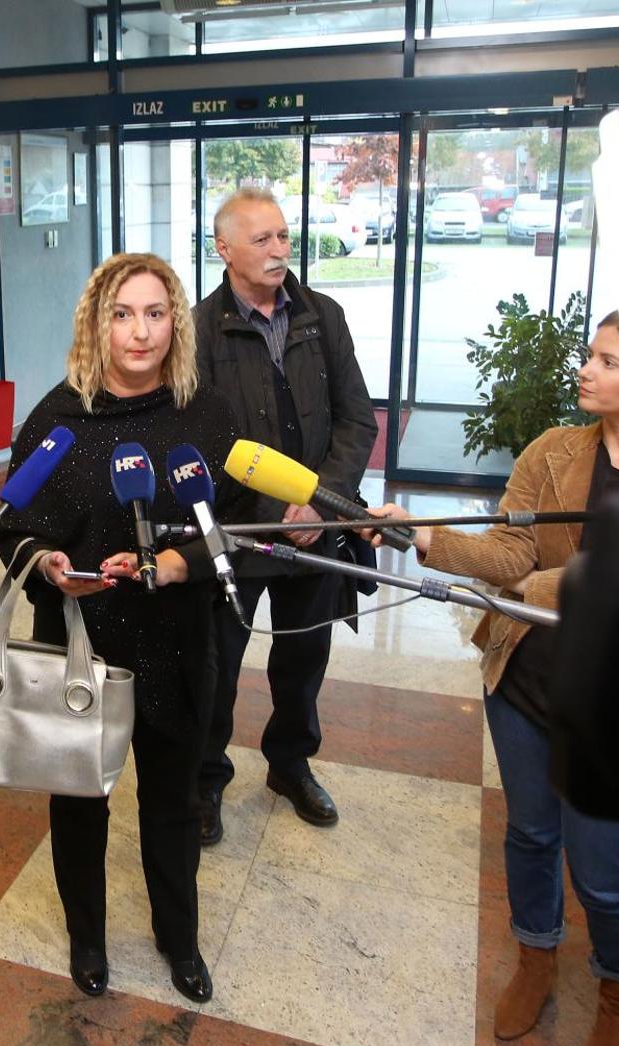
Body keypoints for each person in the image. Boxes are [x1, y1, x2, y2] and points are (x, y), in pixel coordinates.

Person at [369, 313, 619, 1046]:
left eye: (608, 361)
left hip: (618, 711)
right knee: (529, 836)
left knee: (603, 873)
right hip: (523, 682)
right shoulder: (553, 449)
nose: (586, 370)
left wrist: (536, 585)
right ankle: (535, 956)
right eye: (590, 355)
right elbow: (508, 553)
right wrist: (419, 534)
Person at [0, 252, 246, 1005]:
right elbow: (14, 528)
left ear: (177, 324)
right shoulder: (57, 419)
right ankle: (88, 939)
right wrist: (47, 565)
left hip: (178, 643)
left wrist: (178, 562)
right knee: (80, 802)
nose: (140, 333)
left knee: (174, 803)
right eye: (122, 315)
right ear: (95, 324)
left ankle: (179, 939)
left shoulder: (206, 414)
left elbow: (238, 527)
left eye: (156, 314)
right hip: (82, 644)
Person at [191, 187, 378, 843]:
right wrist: (280, 508)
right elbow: (199, 444)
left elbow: (356, 420)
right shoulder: (196, 331)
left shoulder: (323, 316)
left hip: (316, 527)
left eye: (283, 236)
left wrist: (321, 502)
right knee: (216, 668)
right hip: (238, 534)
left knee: (303, 660)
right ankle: (205, 781)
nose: (279, 250)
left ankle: (290, 766)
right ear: (224, 249)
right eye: (262, 239)